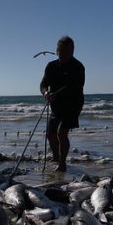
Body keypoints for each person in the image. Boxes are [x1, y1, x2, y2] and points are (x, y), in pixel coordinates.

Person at [39, 36, 85, 172]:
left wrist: (56, 94)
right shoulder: (51, 66)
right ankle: (56, 157)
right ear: (57, 50)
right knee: (50, 134)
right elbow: (43, 84)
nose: (64, 54)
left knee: (61, 132)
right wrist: (46, 93)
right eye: (62, 51)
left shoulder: (78, 66)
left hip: (73, 104)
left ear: (73, 51)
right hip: (56, 105)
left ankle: (62, 164)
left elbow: (75, 86)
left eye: (68, 51)